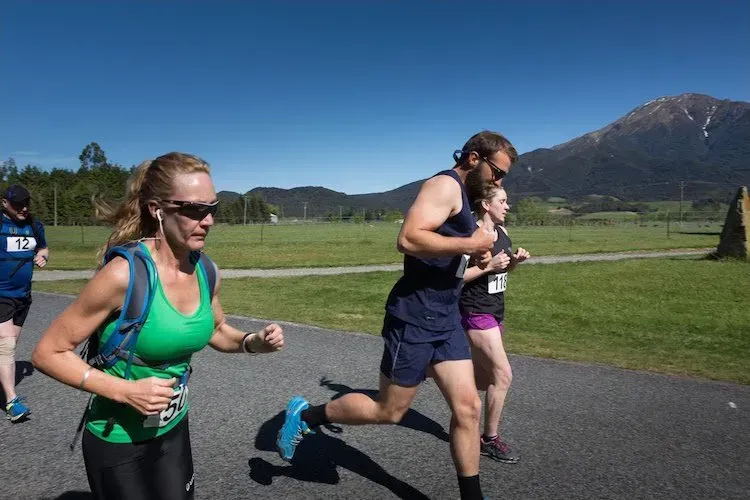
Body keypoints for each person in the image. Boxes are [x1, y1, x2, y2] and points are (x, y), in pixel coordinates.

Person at [276, 131, 518, 500]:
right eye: (497, 172)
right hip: (415, 318)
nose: (499, 181)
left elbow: (454, 253)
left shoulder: (468, 200)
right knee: (389, 410)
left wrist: (480, 255)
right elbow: (408, 238)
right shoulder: (444, 186)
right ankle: (308, 416)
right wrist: (471, 244)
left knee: (468, 409)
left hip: (446, 317)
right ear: (473, 159)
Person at [31, 153, 285, 500]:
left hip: (172, 429)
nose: (208, 220)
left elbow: (216, 329)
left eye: (213, 207)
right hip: (117, 438)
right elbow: (48, 352)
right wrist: (125, 391)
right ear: (157, 209)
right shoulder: (124, 274)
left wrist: (254, 341)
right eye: (194, 209)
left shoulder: (205, 270)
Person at [459, 185, 530, 464]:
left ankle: (462, 420)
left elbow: (503, 269)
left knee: (483, 379)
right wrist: (489, 267)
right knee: (503, 375)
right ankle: (489, 439)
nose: (507, 205)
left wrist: (514, 263)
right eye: (502, 201)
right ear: (486, 205)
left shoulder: (503, 233)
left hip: (496, 311)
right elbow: (457, 276)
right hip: (475, 312)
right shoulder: (472, 235)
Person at [1, 184, 49, 422]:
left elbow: (43, 247)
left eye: (26, 203)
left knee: (9, 346)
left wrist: (43, 255)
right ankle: (11, 401)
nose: (24, 208)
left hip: (23, 295)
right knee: (6, 345)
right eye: (18, 204)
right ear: (4, 203)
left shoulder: (33, 225)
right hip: (1, 294)